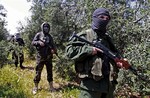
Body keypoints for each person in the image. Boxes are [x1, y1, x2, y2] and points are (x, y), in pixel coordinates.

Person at [65, 8, 127, 98]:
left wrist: (118, 61)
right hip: (91, 87)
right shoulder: (85, 35)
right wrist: (89, 50)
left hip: (109, 87)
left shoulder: (107, 38)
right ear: (95, 18)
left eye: (107, 18)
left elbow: (114, 54)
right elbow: (69, 51)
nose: (105, 20)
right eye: (102, 17)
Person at [32, 22, 57, 94]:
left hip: (48, 57)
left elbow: (53, 45)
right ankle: (35, 87)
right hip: (40, 57)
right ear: (42, 27)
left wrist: (54, 50)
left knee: (50, 72)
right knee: (38, 72)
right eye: (45, 27)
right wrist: (39, 43)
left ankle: (51, 87)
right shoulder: (38, 34)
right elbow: (33, 42)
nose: (46, 28)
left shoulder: (50, 36)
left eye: (47, 27)